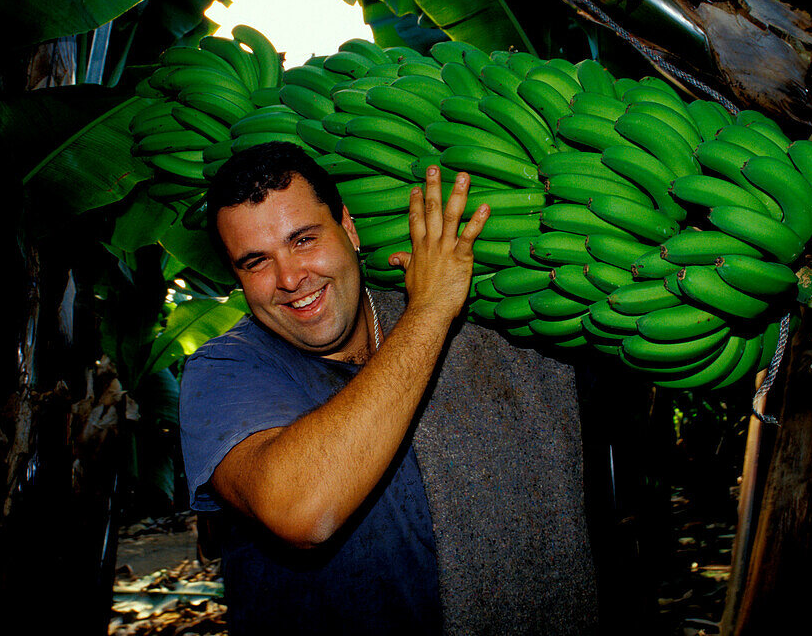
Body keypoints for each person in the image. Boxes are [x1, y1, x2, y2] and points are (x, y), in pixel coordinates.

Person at [180, 142, 599, 634]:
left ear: (348, 226)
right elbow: (302, 512)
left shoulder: (484, 332)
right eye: (256, 262)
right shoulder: (225, 370)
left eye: (304, 240)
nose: (290, 278)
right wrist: (429, 312)